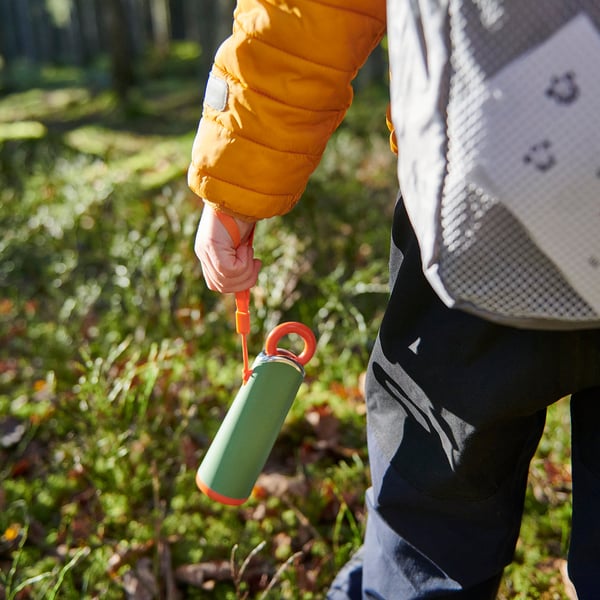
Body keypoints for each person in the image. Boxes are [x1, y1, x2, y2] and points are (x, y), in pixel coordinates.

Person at [189, 1, 600, 598]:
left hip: (486, 204)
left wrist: (236, 185)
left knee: (433, 517)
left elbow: (306, 12)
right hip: (486, 206)